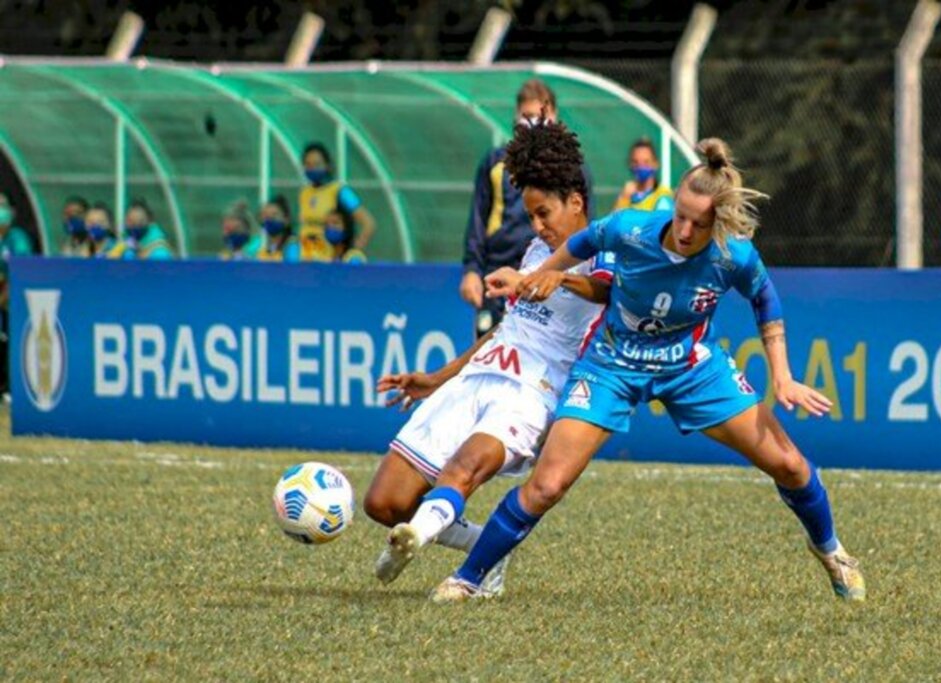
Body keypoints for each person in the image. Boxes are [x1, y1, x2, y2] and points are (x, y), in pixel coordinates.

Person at [432, 138, 866, 604]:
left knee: (791, 465)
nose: (683, 230)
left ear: (717, 222)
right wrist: (537, 276)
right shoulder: (631, 228)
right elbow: (580, 242)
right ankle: (468, 578)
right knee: (547, 484)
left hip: (689, 365)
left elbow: (765, 299)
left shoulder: (732, 255)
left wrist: (781, 376)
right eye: (680, 215)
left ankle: (832, 552)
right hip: (612, 363)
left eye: (698, 223)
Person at [363, 119, 612, 596]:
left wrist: (561, 278)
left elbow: (609, 292)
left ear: (576, 202)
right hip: (481, 375)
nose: (537, 226)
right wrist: (437, 378)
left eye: (544, 213)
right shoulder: (538, 249)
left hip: (530, 394)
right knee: (384, 501)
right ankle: (487, 548)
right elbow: (507, 327)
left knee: (466, 466)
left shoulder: (607, 248)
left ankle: (427, 545)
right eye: (531, 216)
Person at [460, 79, 594, 338]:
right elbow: (477, 219)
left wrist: (564, 274)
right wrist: (471, 271)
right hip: (499, 270)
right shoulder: (495, 162)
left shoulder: (572, 168)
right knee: (494, 343)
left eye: (539, 115)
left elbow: (587, 226)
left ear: (553, 116)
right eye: (526, 116)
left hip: (554, 272)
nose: (533, 121)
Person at [297, 142, 375, 263]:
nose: (312, 168)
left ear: (327, 165)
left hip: (328, 259)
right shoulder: (305, 193)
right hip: (305, 257)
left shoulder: (340, 191)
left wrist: (353, 250)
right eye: (308, 165)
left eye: (317, 164)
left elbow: (368, 223)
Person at [0, 192, 34, 395]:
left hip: (15, 303)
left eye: (3, 205)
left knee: (15, 342)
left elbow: (21, 271)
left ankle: (15, 388)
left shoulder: (18, 238)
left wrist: (4, 297)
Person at [612, 138, 675, 212]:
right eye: (636, 162)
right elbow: (614, 221)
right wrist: (623, 199)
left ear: (656, 164)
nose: (641, 167)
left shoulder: (663, 196)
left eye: (646, 162)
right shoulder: (626, 195)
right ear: (630, 164)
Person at [256, 196, 300, 262]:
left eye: (274, 215)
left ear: (286, 220)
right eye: (266, 216)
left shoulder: (294, 248)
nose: (269, 220)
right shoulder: (263, 251)